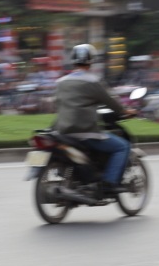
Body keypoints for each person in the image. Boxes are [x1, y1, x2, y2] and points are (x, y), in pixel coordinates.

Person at [50, 43, 136, 195]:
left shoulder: (61, 82)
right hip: (86, 132)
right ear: (91, 60)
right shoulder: (93, 81)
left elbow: (56, 103)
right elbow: (110, 101)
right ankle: (110, 183)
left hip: (62, 132)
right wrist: (125, 111)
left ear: (73, 60)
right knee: (122, 147)